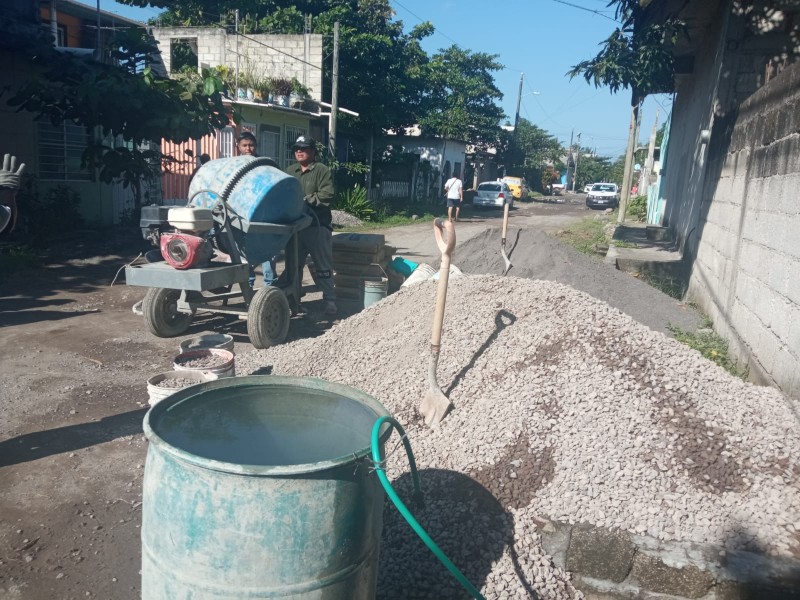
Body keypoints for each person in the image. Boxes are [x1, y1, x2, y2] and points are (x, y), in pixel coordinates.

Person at [285, 135, 337, 316]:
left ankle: (330, 300)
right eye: (297, 149)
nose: (299, 151)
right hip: (295, 228)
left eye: (304, 148)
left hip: (317, 225)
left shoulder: (321, 170)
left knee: (322, 264)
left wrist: (307, 201)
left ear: (313, 152)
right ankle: (294, 302)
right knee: (293, 266)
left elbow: (327, 194)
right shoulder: (290, 171)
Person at [236, 132, 278, 286]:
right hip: (242, 215)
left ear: (256, 146)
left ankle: (270, 288)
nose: (248, 149)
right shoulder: (234, 165)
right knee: (245, 254)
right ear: (238, 147)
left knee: (268, 254)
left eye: (251, 145)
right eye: (244, 145)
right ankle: (248, 288)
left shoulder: (264, 164)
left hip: (263, 216)